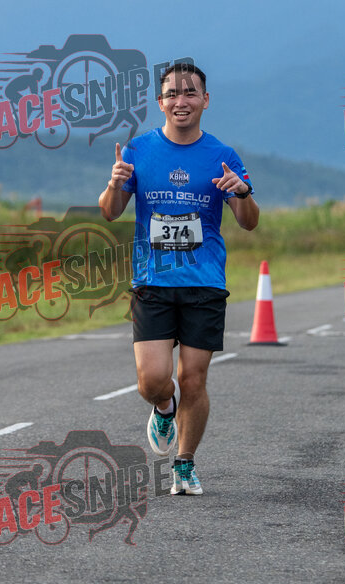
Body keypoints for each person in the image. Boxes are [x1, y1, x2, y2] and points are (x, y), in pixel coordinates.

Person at [98, 62, 259, 495]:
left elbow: (248, 221)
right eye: (172, 93)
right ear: (160, 102)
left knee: (193, 379)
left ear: (205, 100)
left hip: (204, 282)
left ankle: (184, 464)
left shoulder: (223, 155)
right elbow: (110, 211)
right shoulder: (138, 150)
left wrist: (242, 192)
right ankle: (164, 408)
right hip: (153, 281)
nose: (180, 101)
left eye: (189, 93)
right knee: (152, 380)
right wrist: (114, 184)